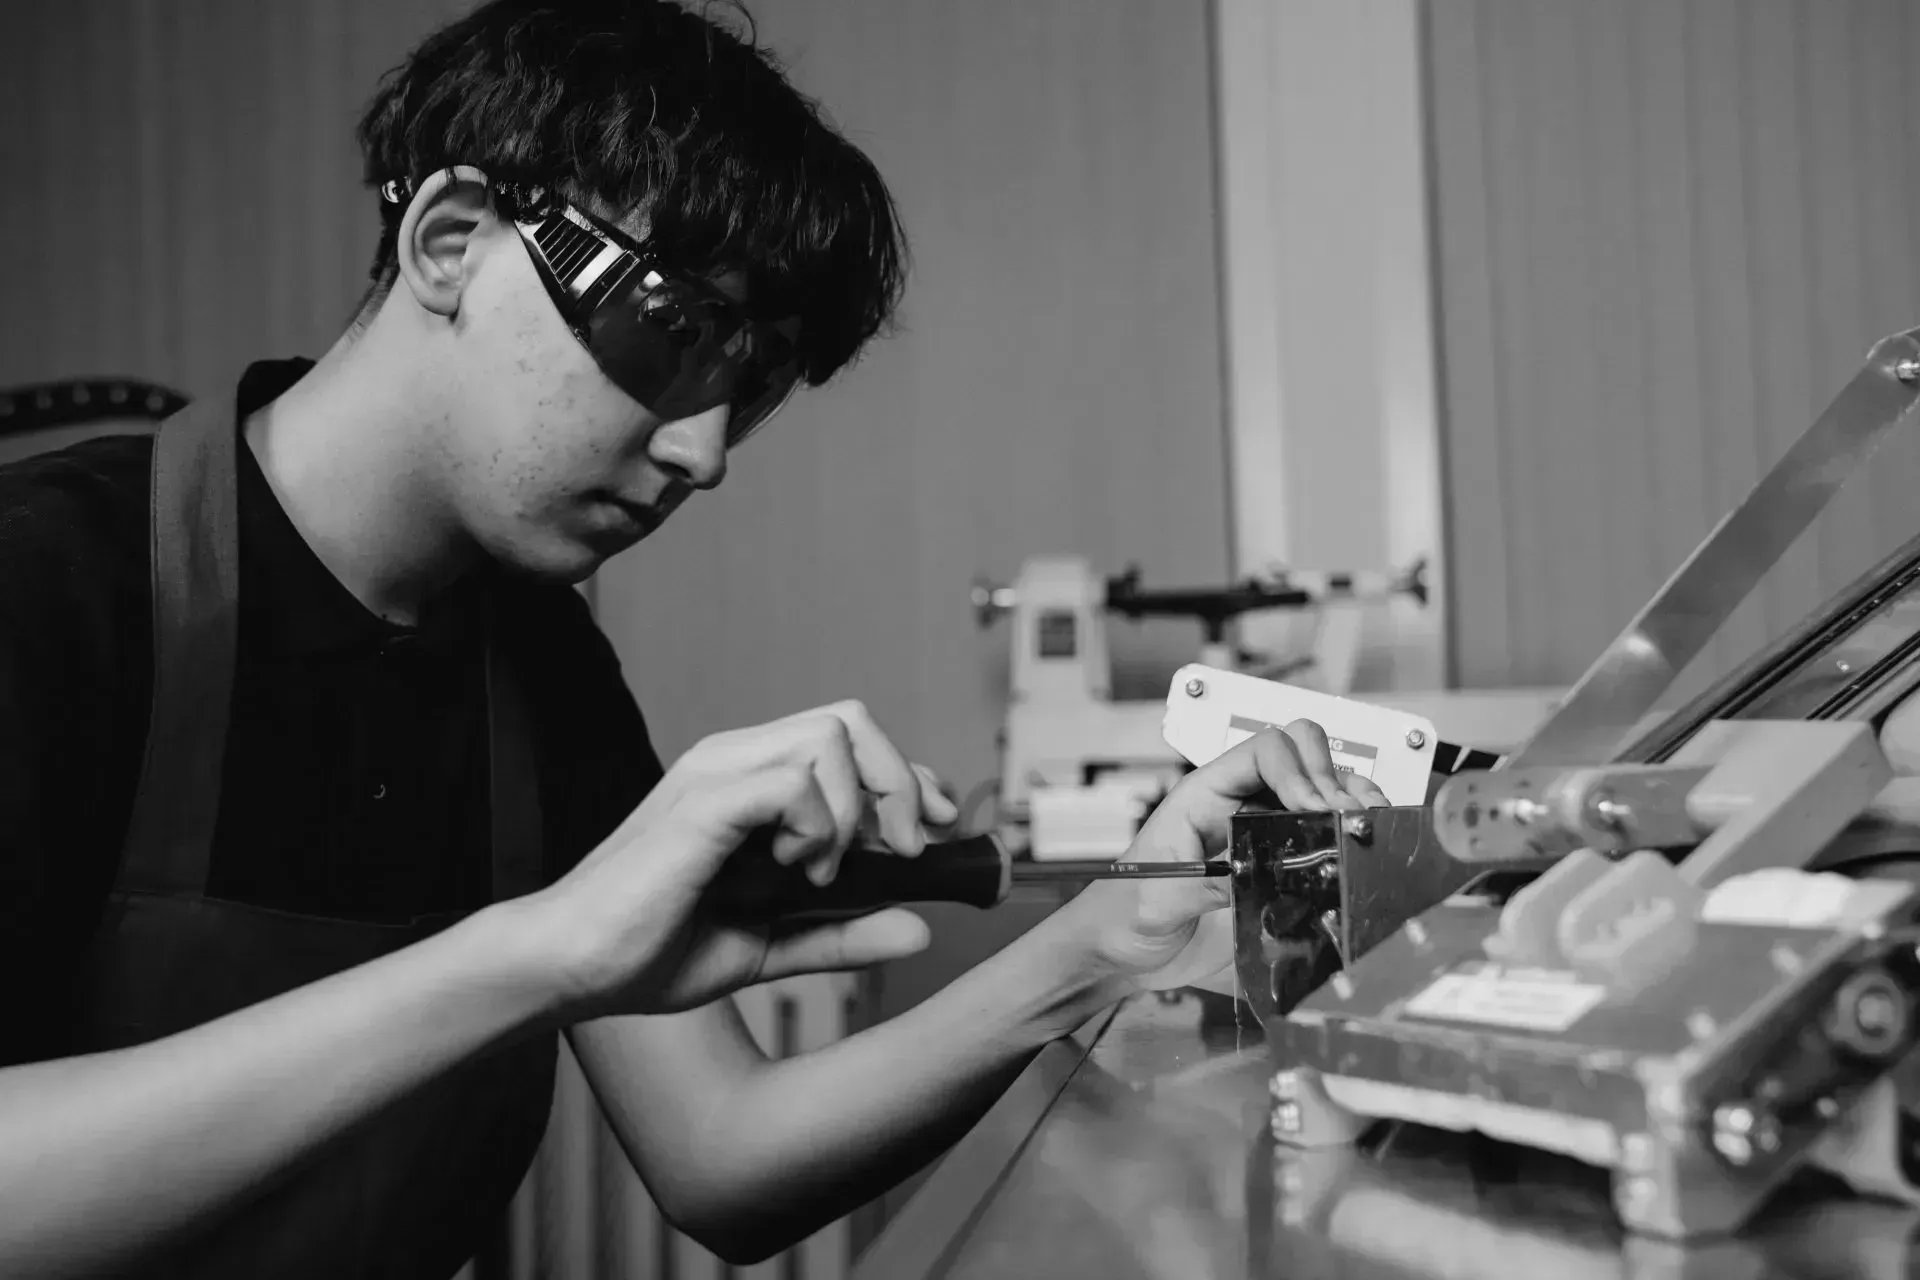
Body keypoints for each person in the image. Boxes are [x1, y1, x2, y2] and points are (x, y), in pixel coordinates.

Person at [0, 2, 1391, 1276]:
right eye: (669, 336)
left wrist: (1107, 938)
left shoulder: (534, 664)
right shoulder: (54, 577)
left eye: (756, 388)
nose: (705, 451)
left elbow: (721, 1158)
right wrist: (533, 953)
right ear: (449, 242)